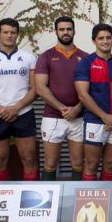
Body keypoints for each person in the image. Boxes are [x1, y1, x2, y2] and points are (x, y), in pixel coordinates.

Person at [0, 18, 38, 181]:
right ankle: (1, 196)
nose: (9, 35)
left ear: (17, 34)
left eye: (13, 32)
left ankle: (31, 195)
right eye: (5, 32)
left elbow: (35, 89)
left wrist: (16, 107)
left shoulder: (29, 58)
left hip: (23, 113)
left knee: (29, 158)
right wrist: (1, 109)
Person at [35, 16, 88, 180]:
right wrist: (62, 108)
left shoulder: (85, 57)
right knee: (50, 163)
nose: (66, 32)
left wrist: (77, 108)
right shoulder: (46, 56)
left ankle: (76, 196)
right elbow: (40, 87)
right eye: (62, 29)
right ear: (56, 31)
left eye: (69, 29)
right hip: (53, 117)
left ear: (74, 31)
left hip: (79, 117)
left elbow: (90, 89)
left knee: (78, 163)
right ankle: (47, 196)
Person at [74, 23, 112, 181]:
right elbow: (83, 95)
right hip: (94, 121)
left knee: (110, 164)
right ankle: (89, 197)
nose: (105, 41)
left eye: (108, 38)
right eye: (101, 38)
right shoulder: (86, 63)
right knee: (91, 164)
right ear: (94, 41)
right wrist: (104, 116)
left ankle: (108, 198)